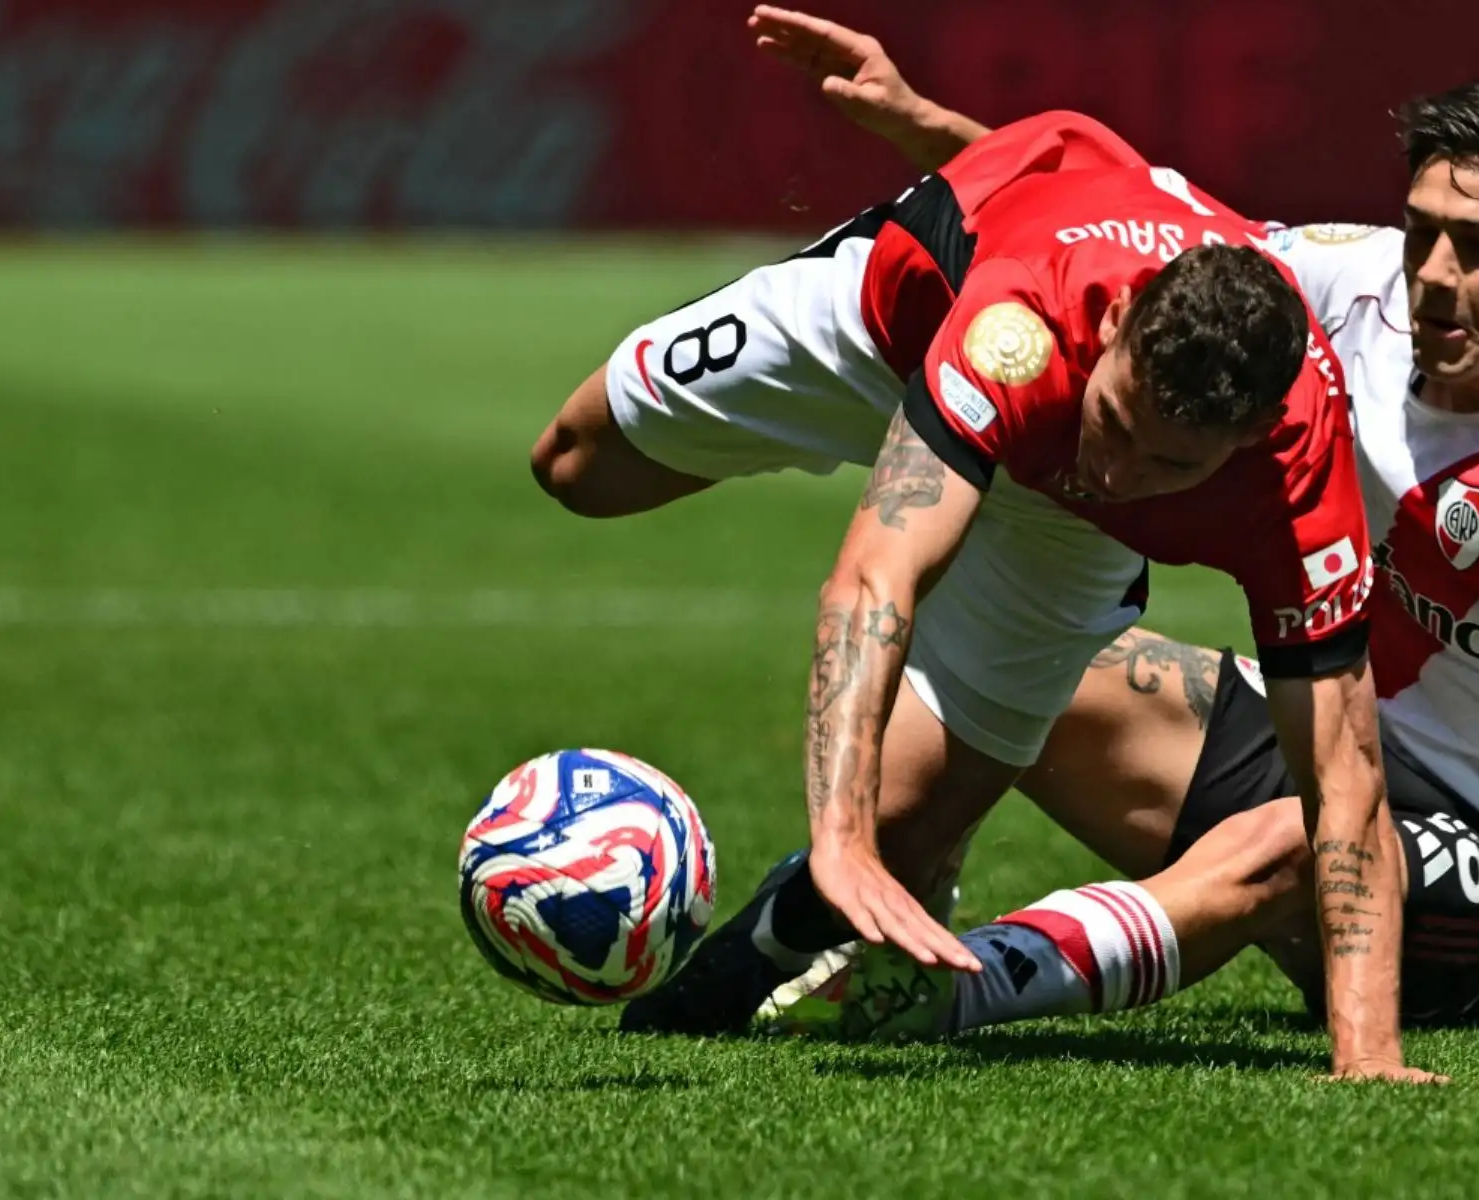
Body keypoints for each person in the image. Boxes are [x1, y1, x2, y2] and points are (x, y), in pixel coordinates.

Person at [750, 7, 1479, 1054]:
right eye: (1424, 229)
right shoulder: (1353, 283)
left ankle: (951, 991)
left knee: (1300, 833)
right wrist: (923, 125)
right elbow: (1117, 223)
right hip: (1341, 752)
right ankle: (827, 916)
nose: (1434, 273)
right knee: (1026, 660)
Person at [530, 29, 1432, 1079]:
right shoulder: (1025, 322)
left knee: (905, 834)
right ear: (1123, 319)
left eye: (1167, 465)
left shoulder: (1298, 469)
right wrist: (837, 827)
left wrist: (1369, 1055)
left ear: (1248, 437)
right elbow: (877, 575)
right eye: (1117, 422)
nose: (1122, 466)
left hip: (1057, 526)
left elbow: (1342, 767)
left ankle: (736, 971)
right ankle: (801, 441)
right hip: (887, 330)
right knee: (575, 468)